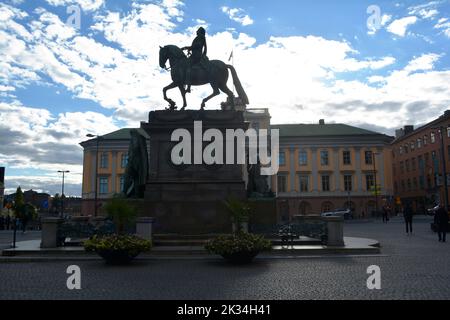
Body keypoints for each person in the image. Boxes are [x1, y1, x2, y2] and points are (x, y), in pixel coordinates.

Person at [182, 27, 208, 93]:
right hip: (195, 54)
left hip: (196, 55)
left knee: (188, 67)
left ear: (200, 32)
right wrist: (190, 48)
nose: (196, 31)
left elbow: (198, 45)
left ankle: (188, 87)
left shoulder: (200, 37)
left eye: (198, 31)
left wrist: (187, 47)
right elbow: (201, 47)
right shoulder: (200, 37)